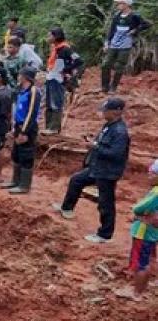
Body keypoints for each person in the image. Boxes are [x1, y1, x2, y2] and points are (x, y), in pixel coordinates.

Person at [52, 97, 131, 243]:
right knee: (76, 180)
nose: (103, 113)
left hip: (108, 172)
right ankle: (67, 208)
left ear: (116, 112)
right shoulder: (108, 126)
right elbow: (101, 144)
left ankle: (105, 235)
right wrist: (93, 144)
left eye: (106, 111)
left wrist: (95, 147)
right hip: (97, 167)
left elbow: (115, 154)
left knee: (105, 202)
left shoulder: (120, 132)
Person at [118, 160, 158, 300]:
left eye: (152, 173)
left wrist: (138, 212)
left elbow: (138, 208)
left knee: (141, 263)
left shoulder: (156, 192)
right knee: (148, 259)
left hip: (143, 232)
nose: (149, 176)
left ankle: (136, 293)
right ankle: (142, 288)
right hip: (153, 232)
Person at [5, 69, 42, 195]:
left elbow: (31, 113)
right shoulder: (20, 91)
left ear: (25, 77)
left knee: (26, 154)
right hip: (19, 126)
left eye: (20, 75)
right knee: (16, 154)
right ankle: (16, 181)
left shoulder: (33, 91)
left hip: (28, 127)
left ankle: (24, 185)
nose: (18, 77)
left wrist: (24, 132)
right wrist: (14, 129)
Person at [103, 0, 150, 94]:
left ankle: (113, 88)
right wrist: (107, 42)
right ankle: (104, 87)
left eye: (120, 3)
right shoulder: (117, 16)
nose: (118, 5)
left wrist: (135, 30)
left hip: (125, 45)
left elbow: (146, 24)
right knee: (105, 64)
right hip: (114, 44)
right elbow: (111, 30)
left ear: (126, 5)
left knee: (119, 66)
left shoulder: (134, 16)